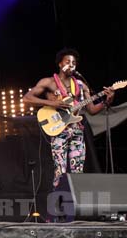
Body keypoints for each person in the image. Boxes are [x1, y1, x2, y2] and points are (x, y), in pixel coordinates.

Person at [23, 48, 114, 188]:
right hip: (59, 129)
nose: (71, 65)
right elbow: (27, 99)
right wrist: (52, 103)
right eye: (68, 62)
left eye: (74, 63)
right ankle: (59, 202)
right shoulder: (48, 82)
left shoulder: (81, 85)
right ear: (60, 64)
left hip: (77, 130)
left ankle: (75, 204)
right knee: (60, 169)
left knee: (78, 169)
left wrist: (106, 102)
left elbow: (91, 110)